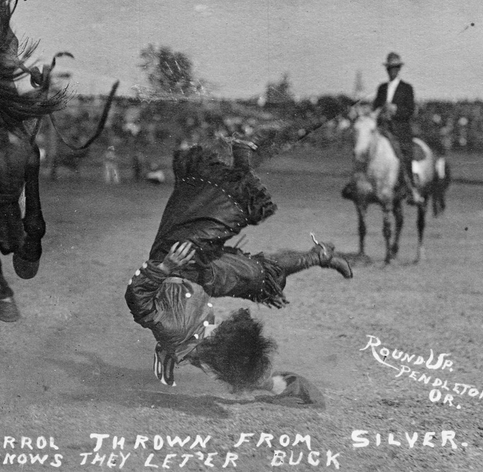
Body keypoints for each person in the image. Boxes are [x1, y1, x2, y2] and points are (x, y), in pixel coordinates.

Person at [125, 138, 352, 405]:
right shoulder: (210, 353)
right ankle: (319, 256)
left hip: (177, 256)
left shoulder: (172, 327)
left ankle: (241, 155)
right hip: (202, 278)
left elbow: (135, 296)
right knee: (258, 275)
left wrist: (164, 268)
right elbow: (234, 366)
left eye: (219, 329)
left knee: (223, 203)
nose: (219, 324)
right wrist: (278, 385)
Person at [372, 52, 421, 204]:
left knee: (405, 154)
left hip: (399, 130)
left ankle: (411, 188)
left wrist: (395, 109)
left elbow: (410, 110)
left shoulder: (406, 88)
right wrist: (380, 110)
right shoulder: (381, 88)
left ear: (398, 69)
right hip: (383, 129)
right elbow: (375, 107)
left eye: (394, 68)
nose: (391, 71)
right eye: (389, 68)